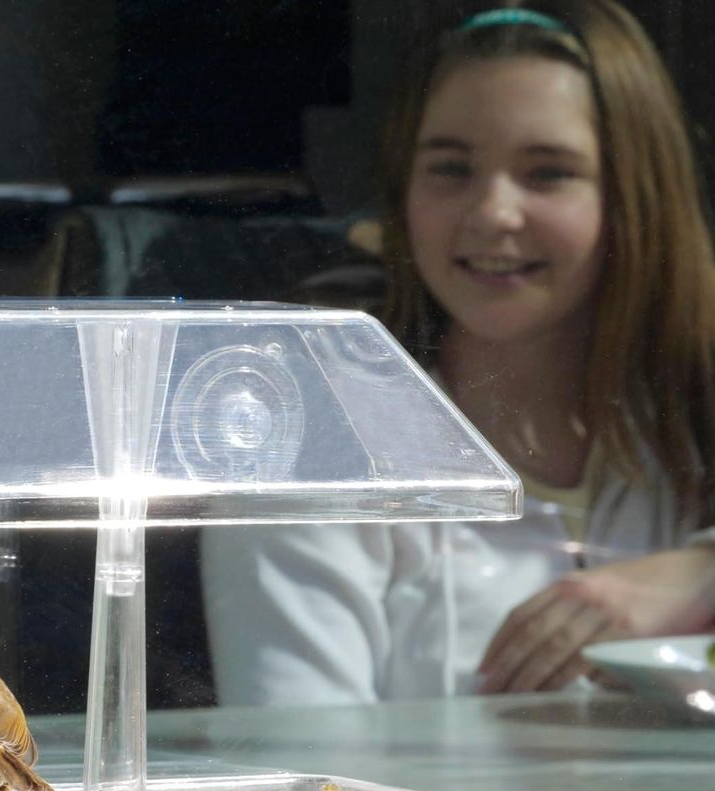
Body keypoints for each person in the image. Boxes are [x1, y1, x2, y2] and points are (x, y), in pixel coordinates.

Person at [201, 0, 715, 705]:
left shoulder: (691, 415)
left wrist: (698, 572)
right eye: (451, 169)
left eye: (547, 173)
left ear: (634, 200)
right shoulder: (310, 447)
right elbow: (312, 784)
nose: (493, 212)